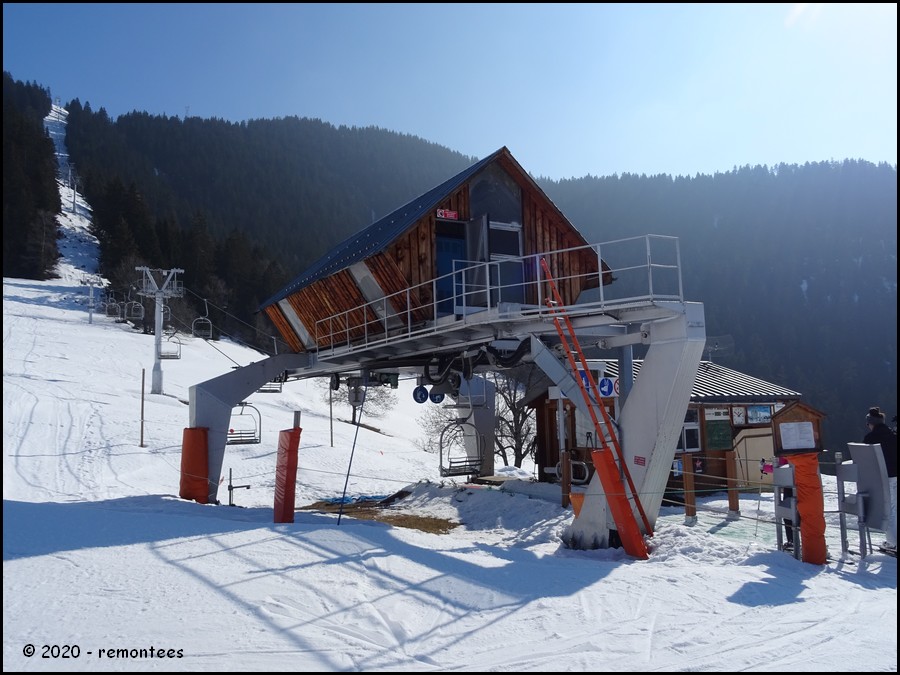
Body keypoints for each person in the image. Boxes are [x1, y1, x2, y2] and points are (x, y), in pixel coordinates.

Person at [864, 406, 897, 551]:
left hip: (885, 477)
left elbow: (866, 460)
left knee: (887, 509)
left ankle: (892, 543)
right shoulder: (892, 434)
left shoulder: (871, 438)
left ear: (871, 423)